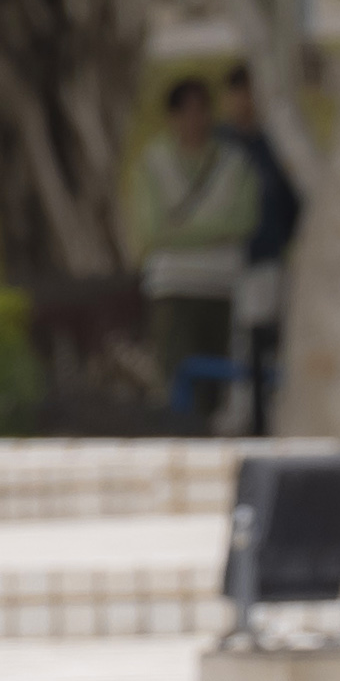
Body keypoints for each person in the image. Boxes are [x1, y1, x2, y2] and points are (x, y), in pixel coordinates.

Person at [130, 80, 260, 429]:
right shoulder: (153, 162)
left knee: (215, 385)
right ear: (172, 117)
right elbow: (152, 231)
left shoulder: (235, 162)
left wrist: (181, 232)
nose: (194, 120)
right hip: (173, 287)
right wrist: (215, 230)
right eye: (185, 111)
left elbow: (244, 221)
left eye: (201, 110)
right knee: (174, 380)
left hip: (221, 287)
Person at [229, 68, 308, 422]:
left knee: (261, 343)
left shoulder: (275, 148)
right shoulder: (219, 146)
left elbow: (293, 206)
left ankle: (259, 418)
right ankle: (231, 415)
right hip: (223, 263)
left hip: (265, 260)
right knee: (231, 346)